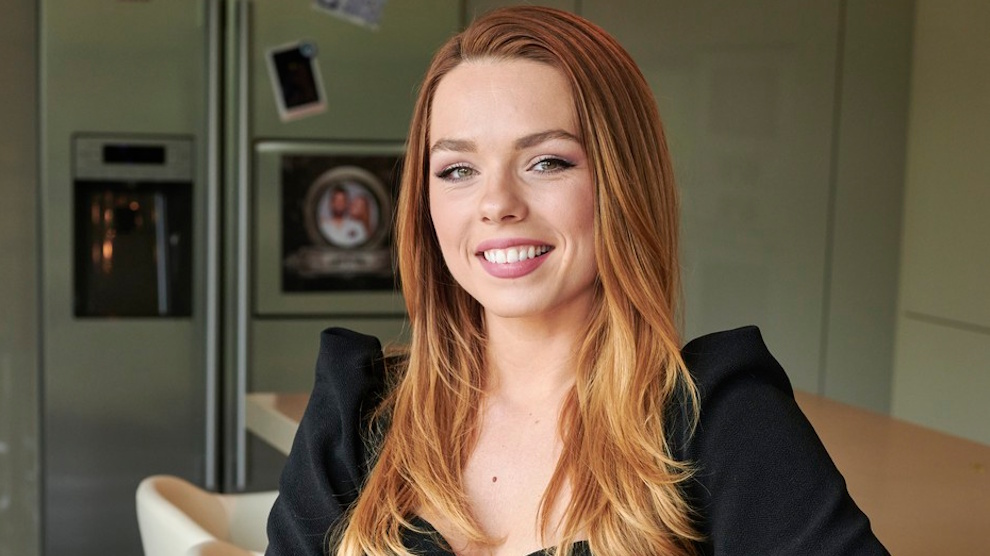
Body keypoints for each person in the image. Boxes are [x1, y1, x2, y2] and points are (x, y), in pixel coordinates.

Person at [266, 6, 888, 556]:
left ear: (621, 184)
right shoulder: (354, 413)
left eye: (546, 162)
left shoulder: (717, 418)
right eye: (457, 169)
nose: (497, 203)